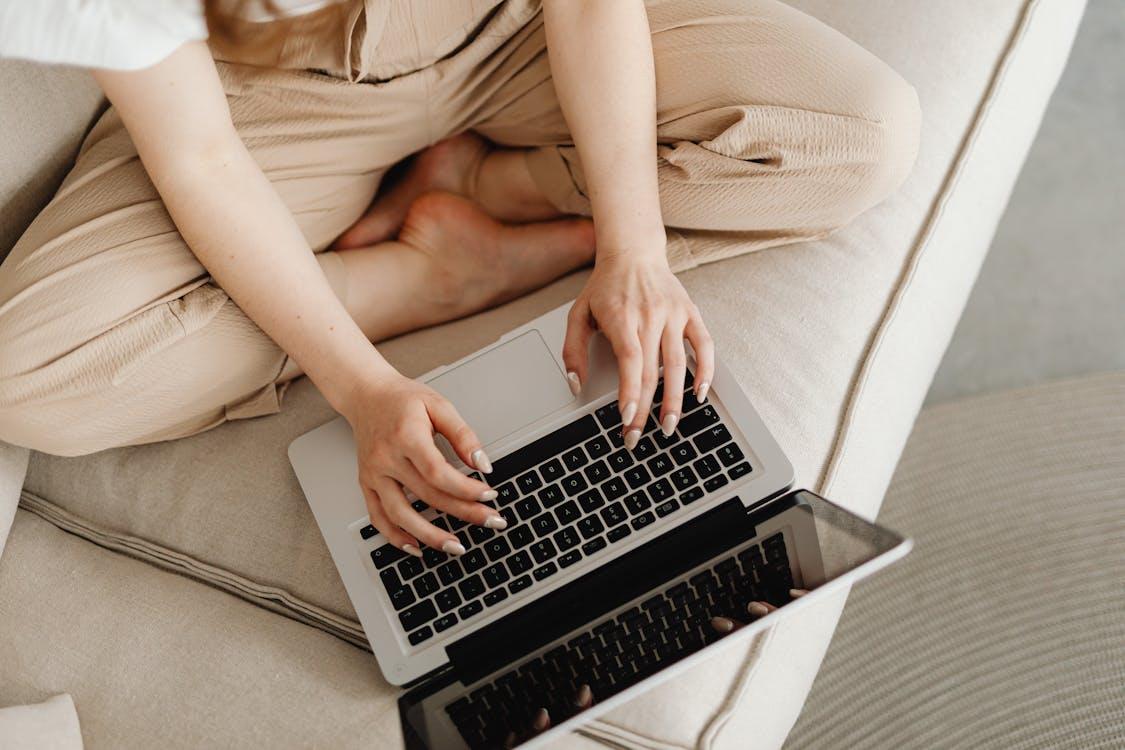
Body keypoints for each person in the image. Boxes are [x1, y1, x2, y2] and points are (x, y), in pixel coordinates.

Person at [0, 0, 919, 559]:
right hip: (273, 102)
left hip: (510, 32)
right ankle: (427, 276)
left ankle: (495, 182)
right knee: (29, 381)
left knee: (858, 136)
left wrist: (633, 250)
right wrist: (363, 385)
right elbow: (199, 156)